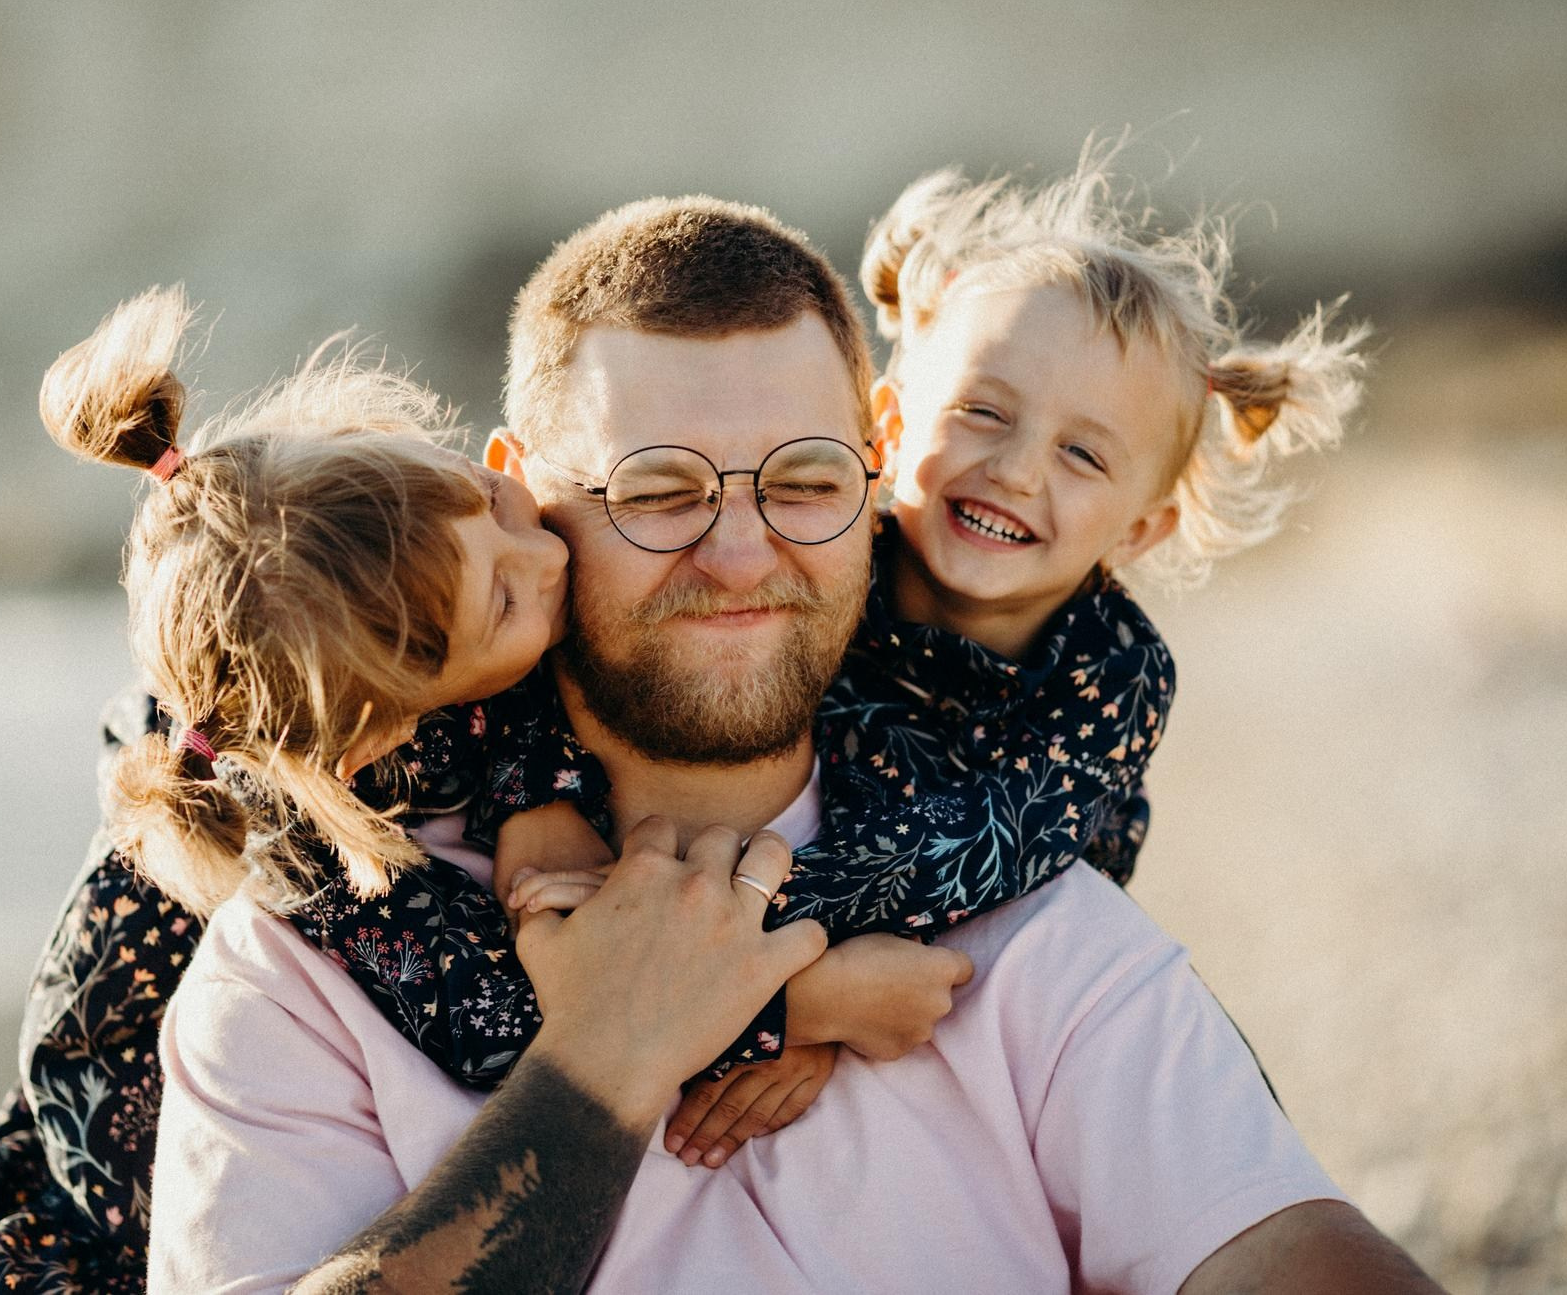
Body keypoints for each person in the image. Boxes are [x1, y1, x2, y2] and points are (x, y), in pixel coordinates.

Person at [147, 194, 1443, 1292]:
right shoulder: (302, 968)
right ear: (518, 487)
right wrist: (602, 1062)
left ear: (881, 465)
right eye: (658, 489)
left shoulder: (1025, 924)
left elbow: (1283, 1242)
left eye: (807, 481)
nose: (741, 551)